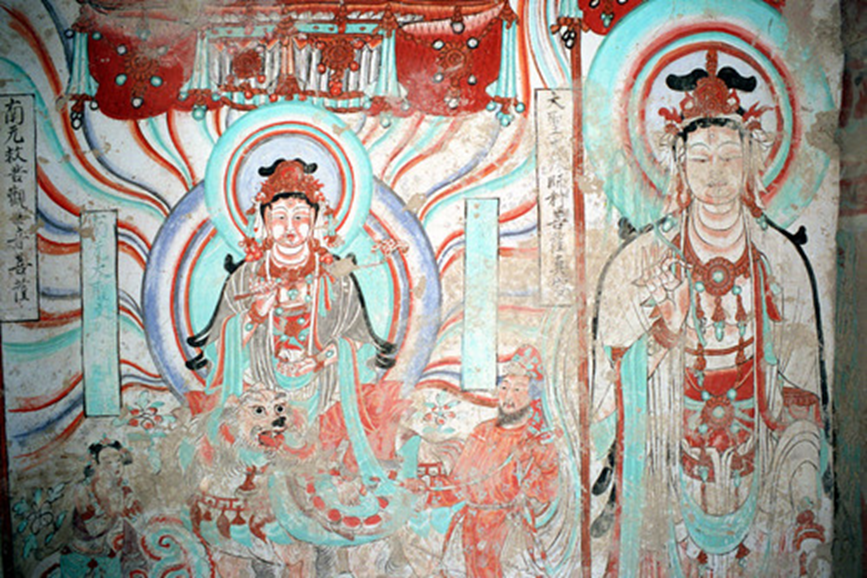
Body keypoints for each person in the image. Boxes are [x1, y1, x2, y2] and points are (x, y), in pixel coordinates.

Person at [592, 50, 828, 576]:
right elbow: (603, 396)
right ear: (678, 163)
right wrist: (664, 332)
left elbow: (806, 404)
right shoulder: (641, 260)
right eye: (700, 158)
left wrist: (804, 503)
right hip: (667, 481)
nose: (715, 173)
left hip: (762, 482)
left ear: (751, 159)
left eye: (728, 156)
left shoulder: (781, 260)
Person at [186, 157, 397, 456]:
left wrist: (319, 361)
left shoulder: (336, 276)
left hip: (323, 392)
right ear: (264, 220)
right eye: (280, 217)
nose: (289, 227)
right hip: (258, 395)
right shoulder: (246, 276)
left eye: (299, 217)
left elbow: (360, 344)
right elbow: (218, 350)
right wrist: (256, 313)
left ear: (316, 220)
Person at [414, 345, 560, 578]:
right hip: (470, 528)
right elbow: (458, 486)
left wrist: (529, 462)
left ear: (532, 395)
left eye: (518, 389)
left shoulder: (536, 441)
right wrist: (423, 493)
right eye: (504, 387)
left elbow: (547, 492)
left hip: (506, 531)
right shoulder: (482, 432)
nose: (509, 397)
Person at [60, 439, 144, 577]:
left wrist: (132, 514)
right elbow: (94, 529)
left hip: (105, 555)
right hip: (78, 557)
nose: (116, 466)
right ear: (96, 465)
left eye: (118, 460)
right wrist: (117, 509)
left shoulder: (123, 491)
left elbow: (137, 521)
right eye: (108, 462)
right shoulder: (84, 490)